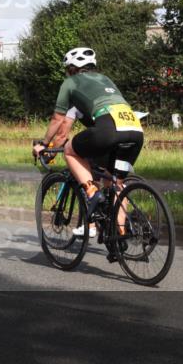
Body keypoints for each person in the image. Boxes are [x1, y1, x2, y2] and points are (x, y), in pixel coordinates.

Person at [32, 47, 144, 237]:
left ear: (72, 68)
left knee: (69, 150)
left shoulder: (70, 82)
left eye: (67, 69)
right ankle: (120, 235)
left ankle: (92, 191)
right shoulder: (105, 79)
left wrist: (44, 144)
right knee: (116, 183)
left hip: (109, 129)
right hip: (135, 131)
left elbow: (58, 119)